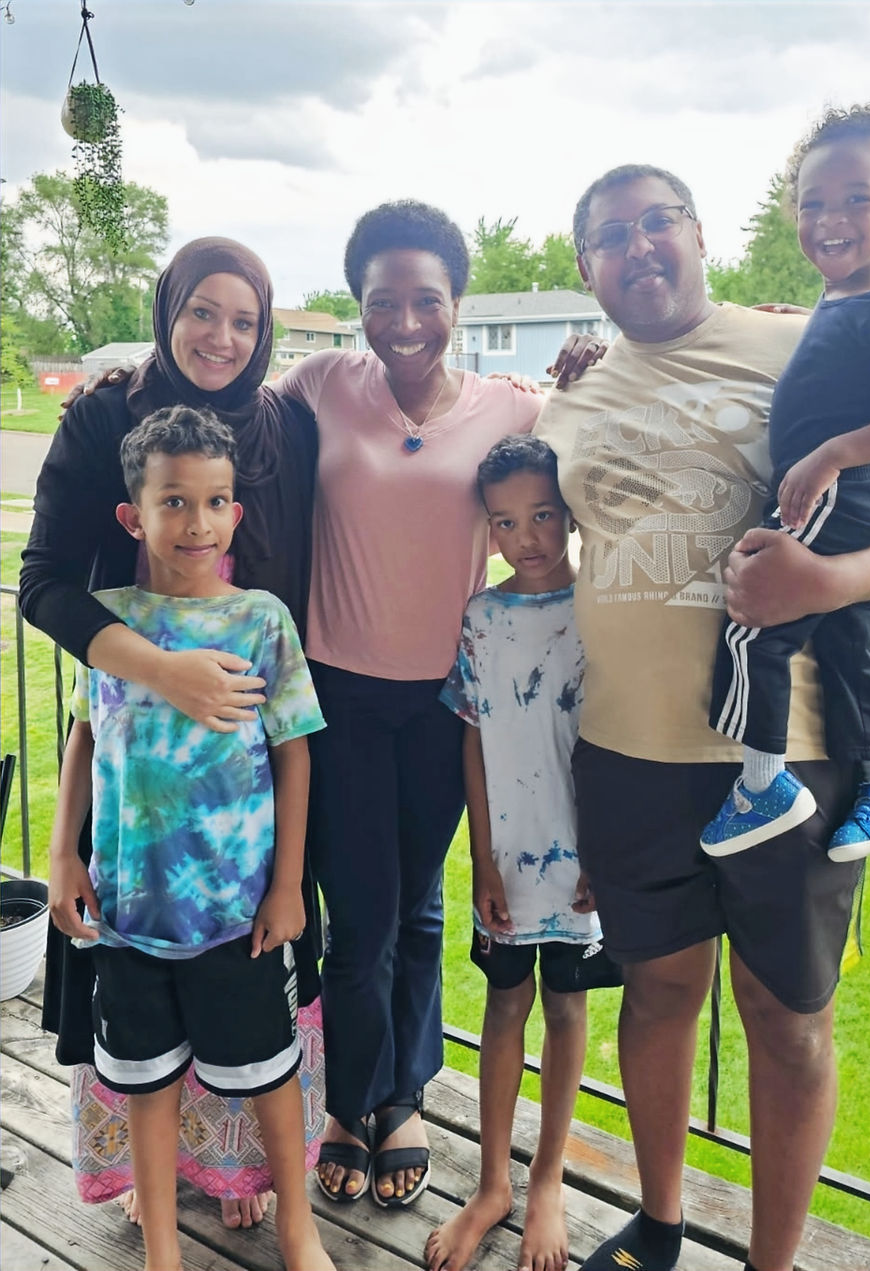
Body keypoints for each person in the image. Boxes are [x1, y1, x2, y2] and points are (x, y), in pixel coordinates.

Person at [533, 162, 870, 1271]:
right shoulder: (564, 400)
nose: (638, 246)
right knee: (658, 992)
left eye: (656, 221)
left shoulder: (806, 344)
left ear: (699, 232)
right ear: (586, 267)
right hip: (626, 753)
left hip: (794, 756)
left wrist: (830, 580)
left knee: (786, 1014)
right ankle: (662, 1221)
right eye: (610, 235)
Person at [20, 237, 324, 1228]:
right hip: (135, 848)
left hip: (238, 855)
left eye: (245, 319)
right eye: (201, 310)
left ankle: (247, 1182)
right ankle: (159, 1213)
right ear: (167, 309)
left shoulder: (282, 430)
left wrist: (287, 879)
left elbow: (293, 742)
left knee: (254, 1041)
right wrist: (160, 669)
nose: (221, 336)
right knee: (142, 1051)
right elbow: (45, 590)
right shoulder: (103, 414)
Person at [274, 201, 548, 1208]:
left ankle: (402, 1094)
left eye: (425, 300)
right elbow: (217, 408)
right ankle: (353, 1101)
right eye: (382, 301)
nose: (404, 321)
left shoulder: (508, 407)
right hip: (337, 695)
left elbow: (593, 441)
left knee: (419, 905)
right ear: (358, 304)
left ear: (456, 303)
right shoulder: (317, 383)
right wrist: (126, 383)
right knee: (363, 915)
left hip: (446, 700)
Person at [704, 103, 870, 861]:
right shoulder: (842, 301)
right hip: (843, 492)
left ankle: (761, 785)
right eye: (813, 203)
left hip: (837, 492)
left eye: (856, 199)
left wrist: (831, 455)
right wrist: (794, 320)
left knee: (752, 622)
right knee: (849, 636)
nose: (830, 219)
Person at [427, 435, 622, 1271]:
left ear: (570, 513)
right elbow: (472, 737)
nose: (526, 537)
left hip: (583, 862)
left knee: (567, 1009)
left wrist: (605, 848)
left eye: (542, 514)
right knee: (504, 1006)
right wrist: (481, 857)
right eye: (504, 522)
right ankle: (492, 1184)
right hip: (506, 860)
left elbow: (617, 738)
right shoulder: (481, 616)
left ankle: (547, 1180)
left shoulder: (604, 611)